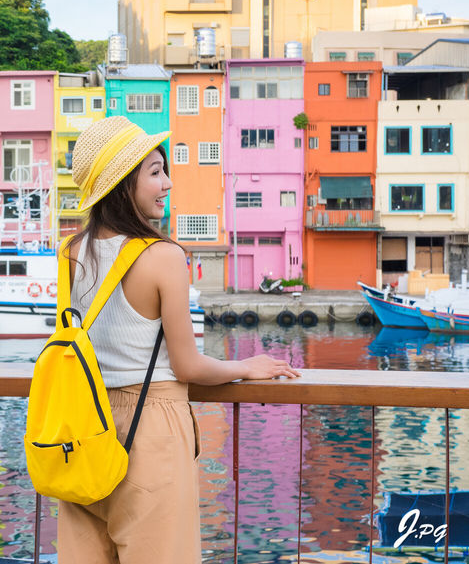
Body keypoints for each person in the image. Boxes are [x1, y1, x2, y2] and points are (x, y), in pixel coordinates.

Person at [59, 116, 300, 563]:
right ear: (122, 185)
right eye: (154, 172)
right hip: (151, 428)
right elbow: (188, 367)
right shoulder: (164, 256)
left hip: (82, 425)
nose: (167, 182)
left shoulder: (72, 252)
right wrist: (247, 366)